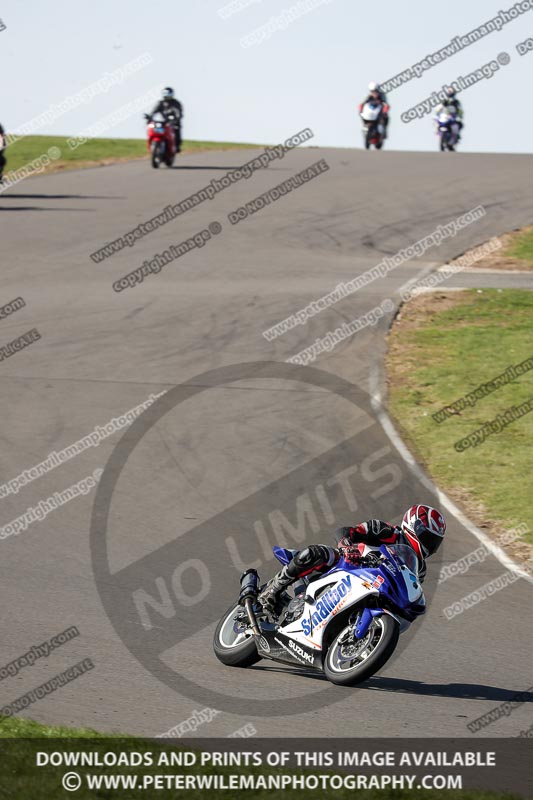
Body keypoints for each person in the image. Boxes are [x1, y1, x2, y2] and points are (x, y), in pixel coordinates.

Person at [258, 504, 446, 616]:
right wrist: (347, 546)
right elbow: (346, 531)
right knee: (316, 553)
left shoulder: (419, 569)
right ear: (413, 526)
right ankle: (273, 589)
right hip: (348, 566)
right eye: (428, 537)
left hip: (374, 589)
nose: (431, 545)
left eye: (435, 542)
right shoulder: (386, 531)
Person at [148, 87, 183, 152]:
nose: (167, 95)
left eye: (168, 94)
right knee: (154, 128)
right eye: (165, 94)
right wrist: (150, 116)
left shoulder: (176, 103)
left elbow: (179, 112)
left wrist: (177, 118)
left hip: (174, 122)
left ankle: (177, 146)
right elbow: (154, 111)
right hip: (164, 122)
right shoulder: (161, 103)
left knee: (176, 129)